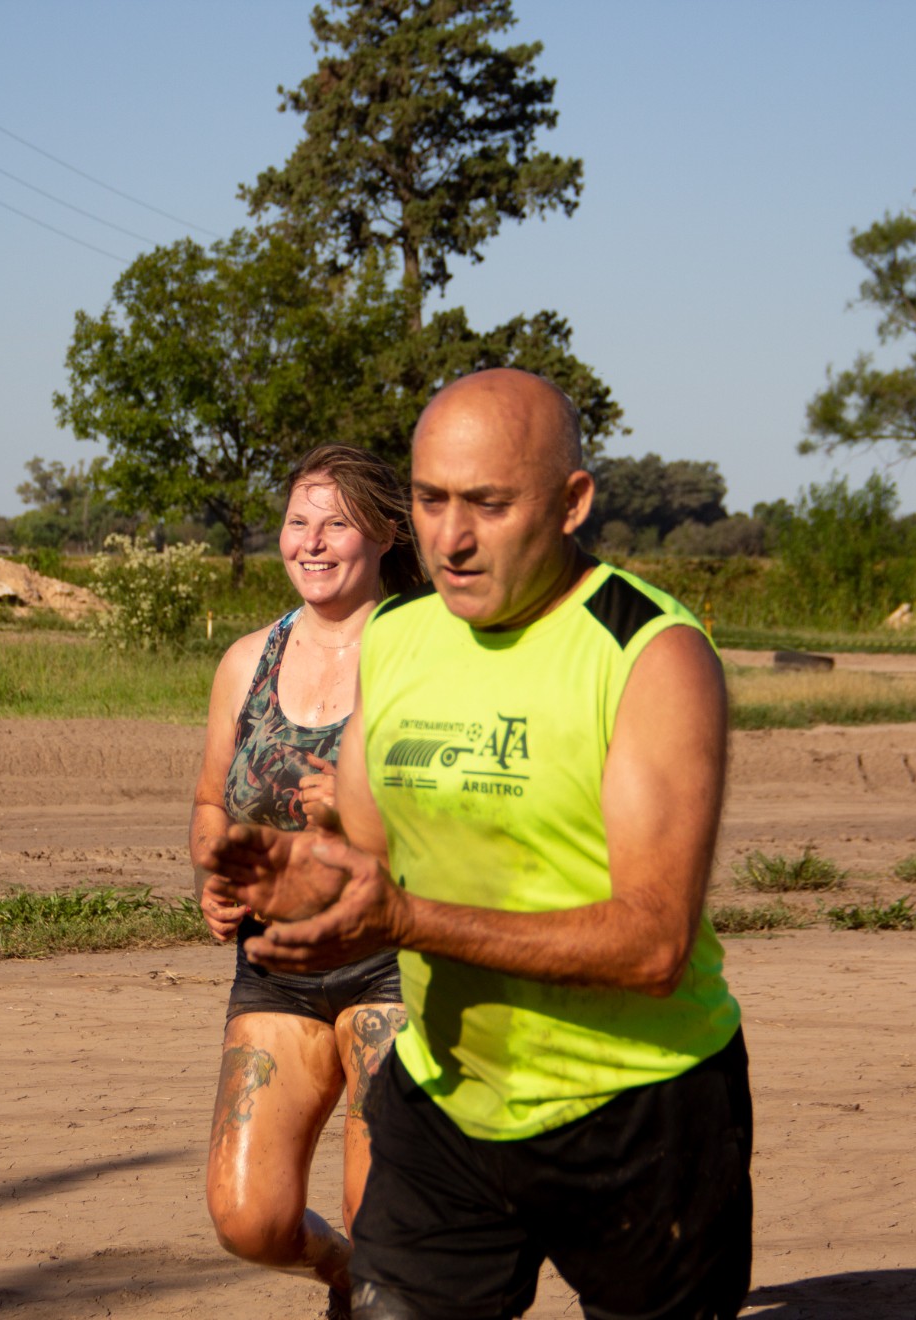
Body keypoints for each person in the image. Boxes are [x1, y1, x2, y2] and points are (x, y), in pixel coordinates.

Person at [198, 369, 751, 1320]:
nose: (451, 539)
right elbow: (364, 850)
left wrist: (405, 918)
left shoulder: (649, 653)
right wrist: (302, 881)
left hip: (638, 1114)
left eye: (489, 505)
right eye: (429, 500)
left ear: (572, 501)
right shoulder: (404, 636)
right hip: (448, 1098)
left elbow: (654, 944)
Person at [189, 444, 423, 1319]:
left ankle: (378, 1290)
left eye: (337, 522)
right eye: (298, 521)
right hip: (276, 966)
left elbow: (487, 814)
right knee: (247, 1219)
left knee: (383, 1223)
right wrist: (212, 876)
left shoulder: (427, 656)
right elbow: (213, 801)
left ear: (386, 534)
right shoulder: (248, 660)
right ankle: (341, 1277)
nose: (312, 542)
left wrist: (371, 811)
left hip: (394, 961)